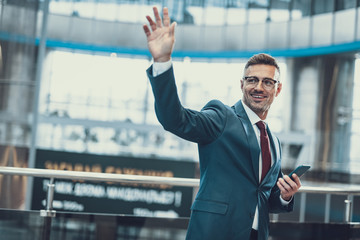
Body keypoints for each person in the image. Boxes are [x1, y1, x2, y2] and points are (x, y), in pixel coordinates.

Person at [143, 6, 301, 240]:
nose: (258, 87)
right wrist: (162, 61)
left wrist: (285, 196)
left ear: (277, 89)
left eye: (267, 82)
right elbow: (175, 119)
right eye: (252, 80)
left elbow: (263, 198)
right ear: (241, 84)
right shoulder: (221, 117)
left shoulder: (274, 142)